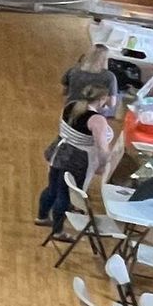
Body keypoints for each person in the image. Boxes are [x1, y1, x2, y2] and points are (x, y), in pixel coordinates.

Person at [38, 81, 116, 231]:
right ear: (101, 99)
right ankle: (58, 230)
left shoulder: (71, 105)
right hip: (77, 160)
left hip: (59, 151)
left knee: (52, 188)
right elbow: (102, 147)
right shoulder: (97, 120)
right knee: (65, 195)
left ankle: (41, 217)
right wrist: (103, 164)